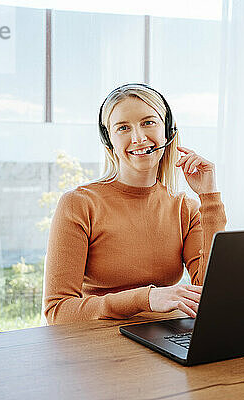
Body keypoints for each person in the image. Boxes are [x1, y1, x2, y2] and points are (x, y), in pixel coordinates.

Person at [43, 83, 227, 324]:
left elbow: (210, 294)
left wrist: (209, 197)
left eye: (148, 122)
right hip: (100, 345)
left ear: (168, 131)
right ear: (109, 140)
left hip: (165, 339)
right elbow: (58, 311)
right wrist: (146, 299)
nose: (138, 138)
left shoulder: (185, 208)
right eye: (123, 128)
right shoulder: (79, 204)